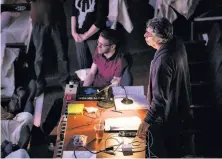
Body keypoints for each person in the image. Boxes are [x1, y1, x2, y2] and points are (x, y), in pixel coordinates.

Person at [137, 17, 191, 157]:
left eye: (148, 34)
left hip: (169, 117)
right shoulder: (176, 41)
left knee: (169, 152)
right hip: (181, 107)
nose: (145, 36)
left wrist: (146, 122)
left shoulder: (163, 60)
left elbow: (160, 99)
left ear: (159, 39)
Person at [30, 0, 69, 97]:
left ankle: (64, 82)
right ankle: (40, 84)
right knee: (39, 57)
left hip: (57, 20)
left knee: (62, 54)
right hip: (38, 21)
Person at [71, 0, 109, 69]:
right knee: (82, 65)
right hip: (79, 35)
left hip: (95, 35)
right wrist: (73, 32)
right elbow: (73, 13)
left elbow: (100, 19)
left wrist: (86, 35)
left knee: (98, 63)